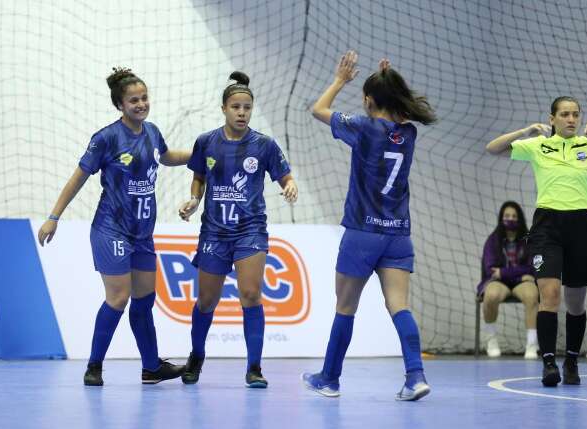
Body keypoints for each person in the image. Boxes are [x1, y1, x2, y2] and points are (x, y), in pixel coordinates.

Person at [38, 67, 190, 386]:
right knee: (118, 297)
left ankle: (151, 367)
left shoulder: (152, 132)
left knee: (145, 300)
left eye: (144, 98)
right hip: (111, 229)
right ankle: (94, 366)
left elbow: (168, 156)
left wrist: (203, 151)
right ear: (120, 105)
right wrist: (54, 217)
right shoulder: (106, 138)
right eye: (133, 100)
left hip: (143, 234)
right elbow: (78, 178)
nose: (141, 104)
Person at [301, 51, 437, 401]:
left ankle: (329, 379)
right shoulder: (408, 134)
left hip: (362, 233)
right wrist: (388, 79)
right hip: (398, 236)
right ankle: (415, 376)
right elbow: (399, 112)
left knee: (345, 307)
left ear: (367, 101)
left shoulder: (363, 128)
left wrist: (339, 81)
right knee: (400, 306)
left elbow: (318, 109)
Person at [486, 96, 587, 386]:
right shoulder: (539, 146)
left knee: (576, 302)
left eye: (575, 114)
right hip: (547, 227)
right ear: (552, 118)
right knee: (550, 295)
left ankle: (572, 361)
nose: (571, 119)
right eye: (564, 114)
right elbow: (493, 148)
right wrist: (525, 132)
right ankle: (549, 363)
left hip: (581, 226)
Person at [178, 71, 298, 388]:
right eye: (235, 107)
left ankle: (254, 367)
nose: (242, 112)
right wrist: (193, 200)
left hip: (250, 231)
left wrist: (290, 185)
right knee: (206, 301)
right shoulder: (206, 142)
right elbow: (199, 178)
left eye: (247, 107)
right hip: (214, 233)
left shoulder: (264, 145)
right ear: (224, 108)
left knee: (250, 294)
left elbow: (284, 176)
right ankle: (196, 356)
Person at [477, 201, 538, 359]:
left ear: (520, 219)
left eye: (514, 216)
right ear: (501, 218)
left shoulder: (528, 239)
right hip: (500, 282)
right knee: (490, 295)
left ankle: (532, 344)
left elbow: (532, 267)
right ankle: (491, 340)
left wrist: (503, 272)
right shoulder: (492, 240)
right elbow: (491, 269)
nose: (510, 219)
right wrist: (515, 273)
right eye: (507, 216)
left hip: (521, 282)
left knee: (532, 294)